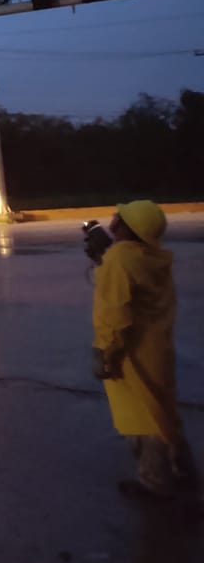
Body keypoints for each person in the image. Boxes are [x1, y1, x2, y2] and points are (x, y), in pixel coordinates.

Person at [91, 199, 198, 500]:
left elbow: (115, 310)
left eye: (119, 217)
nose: (113, 219)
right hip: (156, 348)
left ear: (127, 226)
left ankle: (155, 481)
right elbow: (134, 285)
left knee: (141, 418)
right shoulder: (152, 256)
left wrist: (105, 351)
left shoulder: (120, 259)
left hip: (130, 350)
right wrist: (105, 258)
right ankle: (183, 468)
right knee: (162, 411)